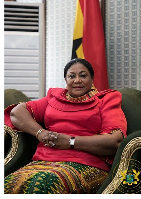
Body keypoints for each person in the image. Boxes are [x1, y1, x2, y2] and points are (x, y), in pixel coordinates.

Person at [4, 58, 127, 194]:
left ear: (92, 79)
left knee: (44, 185)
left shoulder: (105, 100)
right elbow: (16, 113)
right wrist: (40, 133)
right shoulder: (54, 98)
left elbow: (115, 141)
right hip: (43, 161)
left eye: (83, 75)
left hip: (87, 164)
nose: (77, 80)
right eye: (72, 76)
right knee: (9, 183)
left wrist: (70, 142)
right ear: (66, 80)